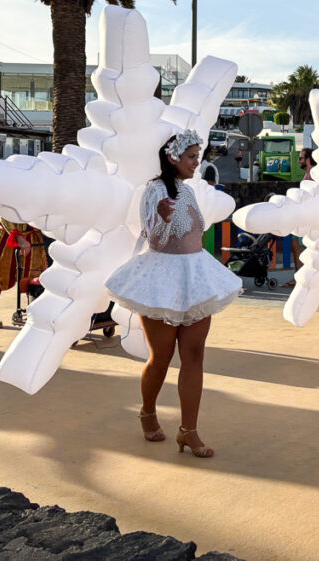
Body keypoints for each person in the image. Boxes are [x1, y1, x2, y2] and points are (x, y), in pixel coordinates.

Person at [105, 130, 243, 458]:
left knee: (194, 354)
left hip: (195, 277)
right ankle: (148, 412)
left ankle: (188, 431)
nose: (198, 163)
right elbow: (154, 239)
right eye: (192, 157)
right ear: (173, 158)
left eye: (198, 156)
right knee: (162, 357)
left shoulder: (188, 191)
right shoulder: (154, 191)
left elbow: (195, 234)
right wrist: (165, 219)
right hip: (161, 278)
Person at [0, 218, 48, 328]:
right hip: (9, 234)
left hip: (33, 235)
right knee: (0, 272)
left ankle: (32, 311)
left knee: (33, 272)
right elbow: (4, 213)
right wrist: (17, 236)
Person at [283, 148, 319, 288]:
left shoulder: (311, 176)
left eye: (301, 158)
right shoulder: (311, 175)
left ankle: (300, 279)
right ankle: (303, 277)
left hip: (307, 218)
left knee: (297, 247)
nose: (299, 161)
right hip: (308, 217)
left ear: (308, 160)